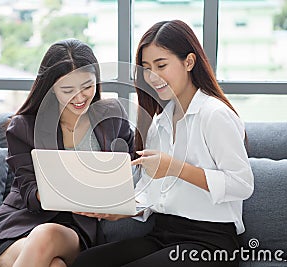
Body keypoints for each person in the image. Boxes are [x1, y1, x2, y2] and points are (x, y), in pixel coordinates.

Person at [71, 20, 254, 267]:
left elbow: (242, 184)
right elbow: (155, 194)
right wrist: (123, 210)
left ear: (189, 62)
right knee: (85, 262)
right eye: (146, 68)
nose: (152, 76)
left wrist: (176, 168)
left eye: (161, 65)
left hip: (210, 243)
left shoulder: (214, 114)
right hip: (164, 235)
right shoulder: (161, 120)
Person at [0, 38, 134, 267]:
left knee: (46, 236)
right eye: (67, 90)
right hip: (20, 226)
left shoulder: (112, 115)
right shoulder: (24, 127)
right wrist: (55, 194)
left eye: (87, 86)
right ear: (50, 88)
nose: (80, 97)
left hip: (76, 229)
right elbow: (28, 192)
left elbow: (131, 169)